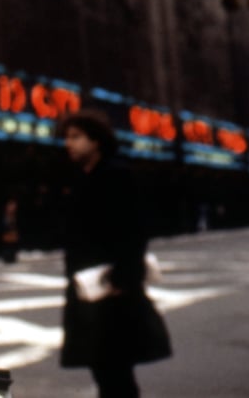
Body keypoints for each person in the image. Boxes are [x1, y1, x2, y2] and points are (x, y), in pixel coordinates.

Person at [58, 109, 171, 398]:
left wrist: (124, 278)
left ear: (95, 141)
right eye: (66, 137)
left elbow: (134, 230)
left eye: (75, 137)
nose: (68, 144)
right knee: (104, 367)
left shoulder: (116, 175)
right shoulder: (81, 179)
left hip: (114, 288)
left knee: (114, 369)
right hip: (89, 287)